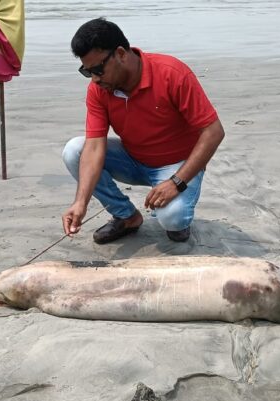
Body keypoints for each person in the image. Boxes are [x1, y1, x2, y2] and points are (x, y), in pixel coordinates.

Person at [61, 18, 225, 244]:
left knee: (173, 219)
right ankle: (126, 216)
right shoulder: (99, 90)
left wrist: (176, 182)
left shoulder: (171, 73)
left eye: (98, 69)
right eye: (87, 72)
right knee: (74, 151)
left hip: (177, 164)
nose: (96, 79)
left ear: (120, 54)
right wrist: (81, 202)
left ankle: (177, 211)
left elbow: (214, 132)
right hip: (133, 159)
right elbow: (94, 146)